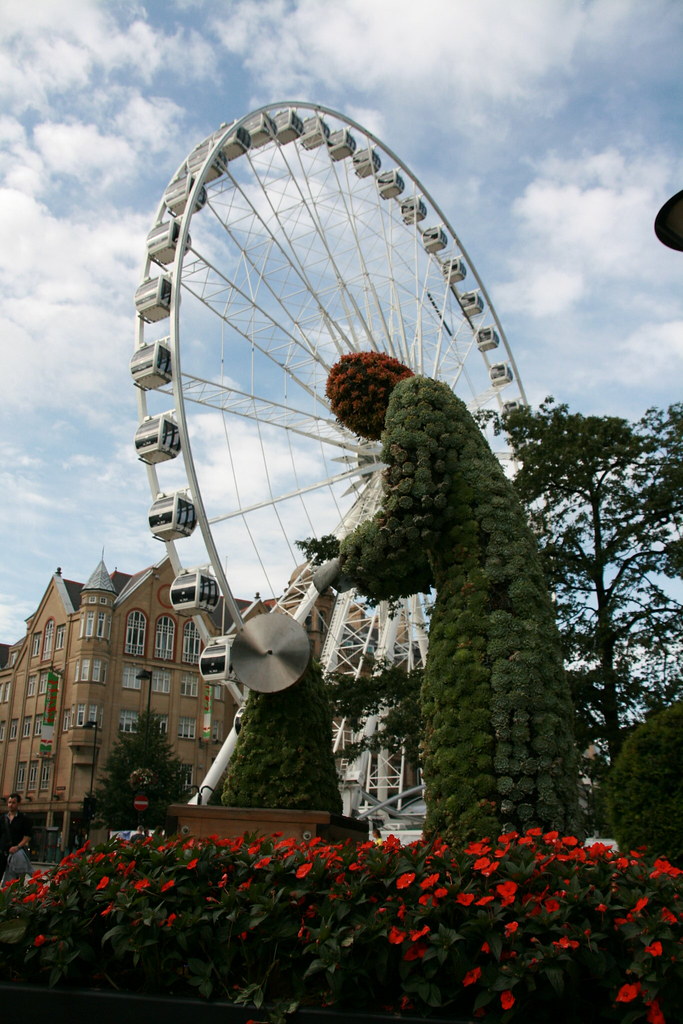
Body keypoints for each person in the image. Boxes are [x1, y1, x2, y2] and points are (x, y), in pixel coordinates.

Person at [1, 793, 33, 884]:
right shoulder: (2, 819)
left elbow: (28, 836)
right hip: (2, 853)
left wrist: (17, 847)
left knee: (14, 880)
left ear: (18, 803)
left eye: (13, 802)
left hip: (15, 853)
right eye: (9, 802)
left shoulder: (24, 819)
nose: (11, 805)